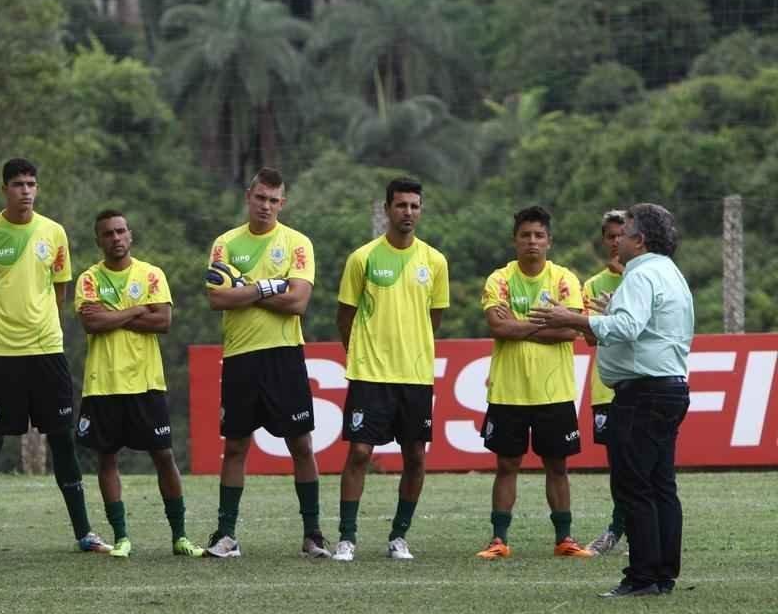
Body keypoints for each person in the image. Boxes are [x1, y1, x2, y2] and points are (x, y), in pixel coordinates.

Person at [530, 203, 693, 597]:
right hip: (670, 386)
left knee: (634, 487)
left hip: (641, 392)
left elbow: (628, 328)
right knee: (660, 487)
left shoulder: (640, 275)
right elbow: (650, 325)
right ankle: (661, 575)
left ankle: (641, 577)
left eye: (626, 232)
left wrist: (572, 319)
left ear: (640, 240)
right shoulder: (671, 273)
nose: (617, 239)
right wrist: (610, 314)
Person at [0, 158, 110, 559]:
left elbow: (59, 291)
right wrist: (3, 322)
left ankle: (85, 534)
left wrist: (36, 323)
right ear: (4, 189)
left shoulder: (54, 233)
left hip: (46, 352)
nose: (25, 191)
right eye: (17, 184)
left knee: (62, 440)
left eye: (31, 184)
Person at [203, 166, 324, 558]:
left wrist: (247, 288)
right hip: (240, 356)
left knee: (301, 445)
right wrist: (272, 286)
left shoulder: (297, 243)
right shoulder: (224, 243)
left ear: (282, 203)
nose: (266, 206)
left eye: (274, 200)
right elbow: (218, 298)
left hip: (284, 356)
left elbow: (298, 303)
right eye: (260, 198)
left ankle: (313, 535)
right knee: (236, 446)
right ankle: (226, 535)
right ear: (248, 197)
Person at [74, 210, 203, 559]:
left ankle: (180, 536)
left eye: (120, 231)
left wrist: (113, 313)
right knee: (107, 458)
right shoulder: (88, 279)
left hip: (146, 382)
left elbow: (162, 320)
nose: (115, 238)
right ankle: (122, 537)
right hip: (104, 383)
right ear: (98, 240)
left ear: (130, 235)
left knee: (163, 455)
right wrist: (135, 311)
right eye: (107, 234)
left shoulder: (151, 274)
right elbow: (92, 324)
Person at [333, 177, 449, 562]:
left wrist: (411, 348)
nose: (408, 212)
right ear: (387, 210)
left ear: (421, 210)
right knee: (360, 452)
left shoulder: (434, 262)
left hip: (415, 376)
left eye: (415, 206)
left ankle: (399, 537)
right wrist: (363, 354)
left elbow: (434, 318)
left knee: (415, 455)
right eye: (401, 205)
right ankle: (347, 538)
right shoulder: (362, 258)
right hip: (370, 375)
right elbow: (345, 316)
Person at [476, 206, 592, 560]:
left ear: (549, 241)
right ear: (515, 241)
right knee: (506, 465)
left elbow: (573, 330)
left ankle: (565, 539)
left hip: (553, 391)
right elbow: (498, 328)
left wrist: (520, 324)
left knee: (557, 465)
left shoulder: (564, 280)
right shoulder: (498, 279)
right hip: (509, 390)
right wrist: (545, 324)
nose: (532, 241)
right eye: (525, 235)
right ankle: (499, 540)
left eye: (538, 235)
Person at [581, 210, 629, 556]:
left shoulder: (649, 278)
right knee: (618, 462)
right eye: (610, 236)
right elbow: (591, 338)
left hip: (644, 383)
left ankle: (632, 529)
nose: (615, 242)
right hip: (607, 387)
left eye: (621, 235)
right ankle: (618, 528)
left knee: (644, 461)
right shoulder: (593, 285)